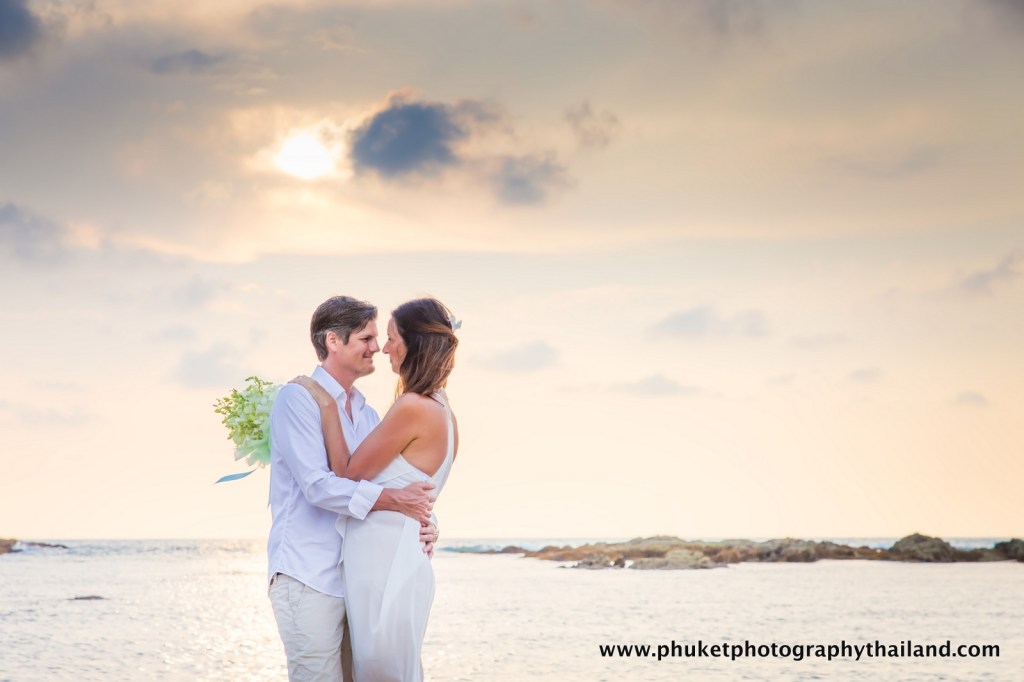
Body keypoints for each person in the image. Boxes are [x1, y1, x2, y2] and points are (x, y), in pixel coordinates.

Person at [268, 295, 439, 682]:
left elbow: (396, 482)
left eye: (377, 338)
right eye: (365, 338)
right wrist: (397, 502)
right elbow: (318, 486)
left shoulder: (367, 412)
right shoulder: (296, 400)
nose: (376, 348)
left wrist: (427, 523)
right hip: (306, 574)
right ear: (333, 341)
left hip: (358, 578)